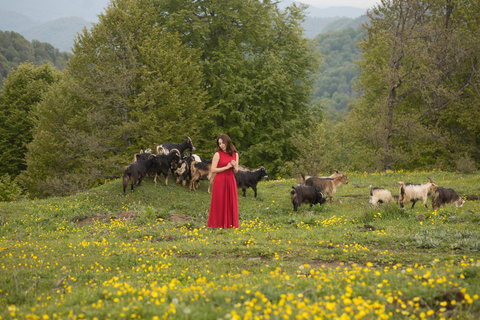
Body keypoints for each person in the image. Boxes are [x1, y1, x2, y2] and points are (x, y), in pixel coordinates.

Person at [207, 134, 239, 228]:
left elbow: (236, 171)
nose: (221, 145)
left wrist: (233, 166)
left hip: (231, 180)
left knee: (231, 202)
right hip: (220, 180)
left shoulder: (235, 154)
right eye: (219, 143)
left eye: (222, 143)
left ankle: (230, 224)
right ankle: (217, 224)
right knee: (219, 202)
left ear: (227, 142)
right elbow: (213, 169)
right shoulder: (217, 154)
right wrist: (226, 167)